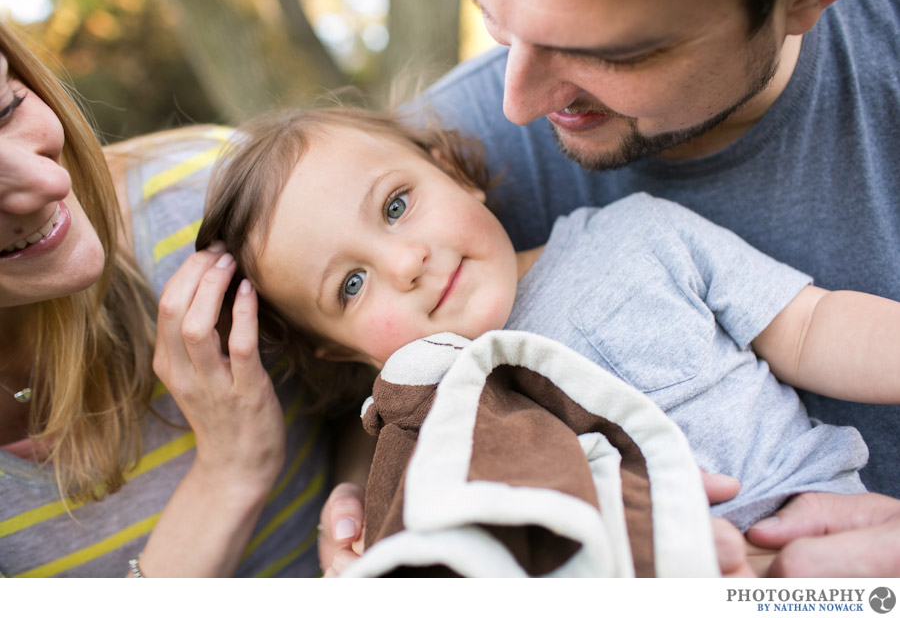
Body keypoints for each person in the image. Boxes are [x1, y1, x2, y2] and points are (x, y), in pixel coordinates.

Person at [322, 0, 900, 578]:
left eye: (609, 54)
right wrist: (367, 503)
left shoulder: (625, 236)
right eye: (491, 17)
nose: (516, 104)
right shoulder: (397, 155)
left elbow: (809, 328)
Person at [197, 105, 900, 575]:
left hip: (827, 536)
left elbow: (810, 325)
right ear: (343, 351)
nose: (405, 263)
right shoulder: (431, 426)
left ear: (455, 172)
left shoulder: (634, 234)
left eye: (396, 205)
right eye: (350, 286)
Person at [0, 20, 330, 577]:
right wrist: (232, 471)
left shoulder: (205, 199)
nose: (49, 184)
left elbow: (399, 381)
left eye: (5, 107)